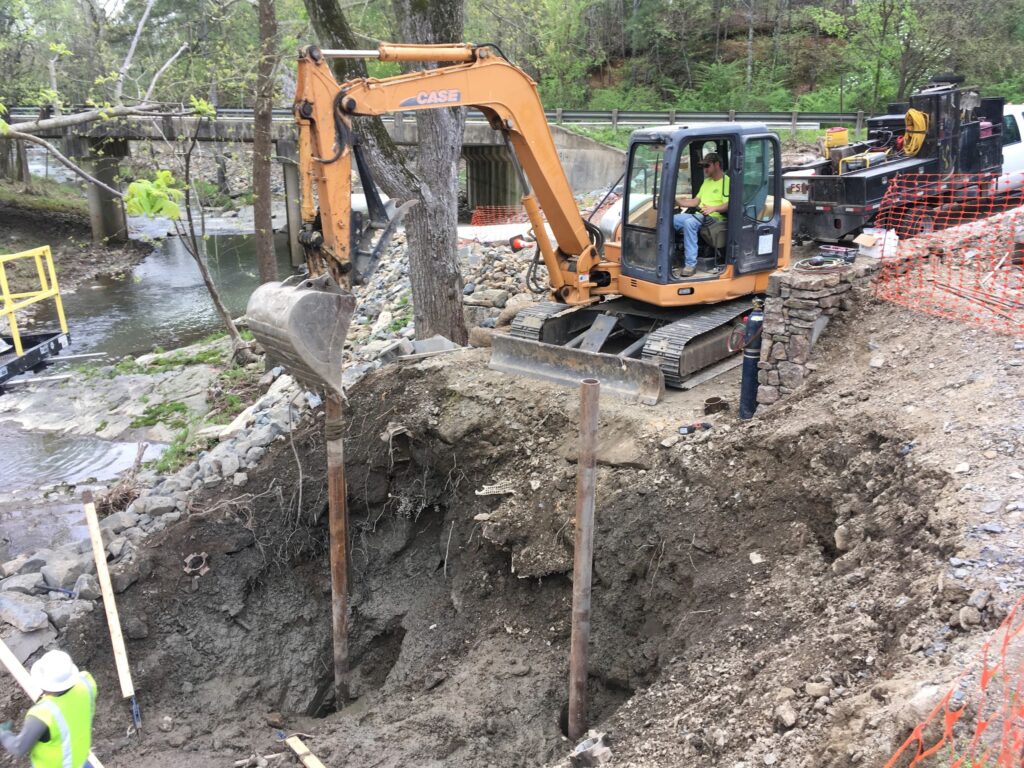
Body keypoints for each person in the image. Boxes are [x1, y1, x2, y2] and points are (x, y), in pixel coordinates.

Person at [1, 650, 97, 768]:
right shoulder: (86, 683)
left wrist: (4, 735)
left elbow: (18, 748)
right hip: (80, 759)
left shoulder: (43, 714)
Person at [672, 152, 730, 277]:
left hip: (715, 218)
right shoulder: (707, 182)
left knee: (689, 223)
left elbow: (729, 204)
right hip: (699, 215)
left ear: (717, 165)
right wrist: (677, 201)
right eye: (704, 166)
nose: (705, 169)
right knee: (669, 220)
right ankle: (673, 258)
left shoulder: (727, 182)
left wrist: (713, 208)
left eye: (707, 166)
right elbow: (695, 201)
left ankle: (690, 265)